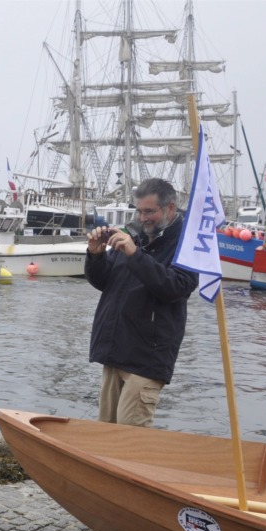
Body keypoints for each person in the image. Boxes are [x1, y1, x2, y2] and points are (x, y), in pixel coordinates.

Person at [85, 177, 198, 427]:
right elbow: (105, 282)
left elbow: (177, 287)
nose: (143, 217)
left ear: (170, 208)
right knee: (104, 432)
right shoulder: (133, 235)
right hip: (116, 351)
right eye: (139, 211)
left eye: (149, 211)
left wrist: (135, 255)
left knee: (130, 436)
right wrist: (95, 255)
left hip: (147, 358)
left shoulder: (186, 244)